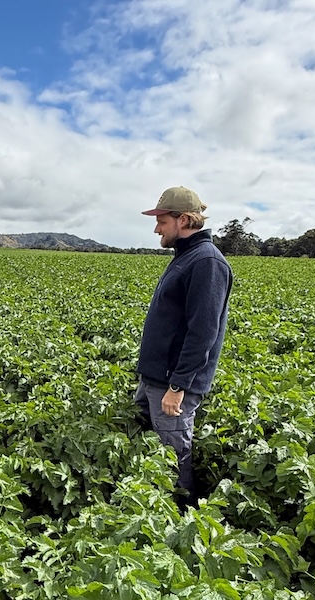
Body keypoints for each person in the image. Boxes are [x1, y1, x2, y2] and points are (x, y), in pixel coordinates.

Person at [135, 186, 233, 507]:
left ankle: (181, 518)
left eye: (162, 221)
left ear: (185, 220)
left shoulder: (207, 263)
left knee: (174, 457)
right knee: (153, 448)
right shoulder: (187, 256)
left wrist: (178, 386)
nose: (156, 228)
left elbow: (203, 332)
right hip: (156, 379)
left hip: (171, 385)